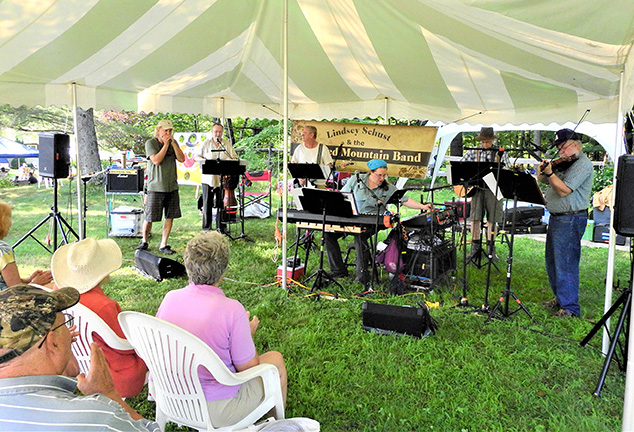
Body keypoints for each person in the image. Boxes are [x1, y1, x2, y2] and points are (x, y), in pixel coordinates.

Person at [156, 231, 287, 428]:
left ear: (187, 264)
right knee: (275, 360)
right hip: (216, 409)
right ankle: (278, 425)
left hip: (171, 397)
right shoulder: (232, 310)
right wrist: (248, 336)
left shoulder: (170, 298)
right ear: (223, 271)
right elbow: (250, 369)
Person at [0, 284, 159, 431]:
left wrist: (55, 364)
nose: (70, 336)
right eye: (65, 324)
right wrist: (111, 396)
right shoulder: (101, 421)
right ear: (53, 342)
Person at [51, 237, 148, 398]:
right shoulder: (104, 305)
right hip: (113, 373)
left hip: (80, 360)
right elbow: (125, 345)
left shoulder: (58, 290)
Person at [325, 159, 433, 286]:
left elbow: (404, 200)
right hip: (352, 218)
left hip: (374, 220)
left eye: (384, 175)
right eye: (379, 175)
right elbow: (342, 195)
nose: (382, 178)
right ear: (371, 172)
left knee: (360, 236)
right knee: (328, 235)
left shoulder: (387, 188)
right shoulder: (357, 179)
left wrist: (423, 206)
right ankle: (338, 271)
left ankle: (362, 276)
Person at [538, 128, 593, 318]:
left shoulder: (583, 165)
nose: (560, 152)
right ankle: (560, 298)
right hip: (557, 217)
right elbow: (544, 181)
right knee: (553, 261)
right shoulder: (565, 164)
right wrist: (543, 172)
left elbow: (564, 190)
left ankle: (570, 308)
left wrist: (551, 173)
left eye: (562, 148)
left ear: (575, 144)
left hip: (570, 218)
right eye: (559, 149)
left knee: (566, 262)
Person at [461, 127, 509, 261]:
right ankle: (474, 248)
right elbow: (461, 167)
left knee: (493, 220)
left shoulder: (500, 153)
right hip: (477, 188)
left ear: (492, 140)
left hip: (494, 189)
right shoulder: (473, 152)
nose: (484, 144)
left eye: (487, 141)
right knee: (475, 218)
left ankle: (491, 250)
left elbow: (507, 171)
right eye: (482, 142)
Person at [138, 119, 185, 255]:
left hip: (171, 186)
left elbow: (182, 159)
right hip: (155, 186)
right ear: (158, 130)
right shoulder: (150, 143)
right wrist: (165, 145)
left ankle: (163, 244)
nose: (168, 133)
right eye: (166, 130)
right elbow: (156, 160)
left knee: (170, 216)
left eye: (170, 130)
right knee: (150, 216)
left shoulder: (173, 142)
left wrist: (173, 145)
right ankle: (144, 240)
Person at [194, 123, 239, 232]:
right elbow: (196, 156)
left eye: (219, 132)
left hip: (222, 179)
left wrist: (228, 163)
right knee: (207, 202)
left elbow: (234, 157)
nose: (217, 134)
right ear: (211, 132)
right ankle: (206, 227)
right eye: (215, 132)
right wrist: (205, 161)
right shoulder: (206, 143)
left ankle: (221, 226)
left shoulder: (226, 144)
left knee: (221, 203)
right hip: (208, 179)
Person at [0, 200, 52, 290]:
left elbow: (5, 280)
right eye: (9, 217)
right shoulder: (3, 250)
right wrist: (35, 283)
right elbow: (17, 292)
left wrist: (27, 280)